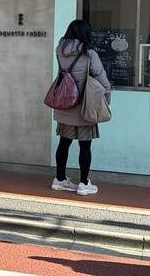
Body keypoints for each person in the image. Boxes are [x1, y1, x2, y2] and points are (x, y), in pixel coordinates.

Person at [51, 19, 112, 196]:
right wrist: (107, 97)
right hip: (85, 105)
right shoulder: (89, 53)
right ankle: (84, 184)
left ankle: (59, 180)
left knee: (64, 143)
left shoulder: (60, 50)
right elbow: (101, 77)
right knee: (85, 146)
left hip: (65, 102)